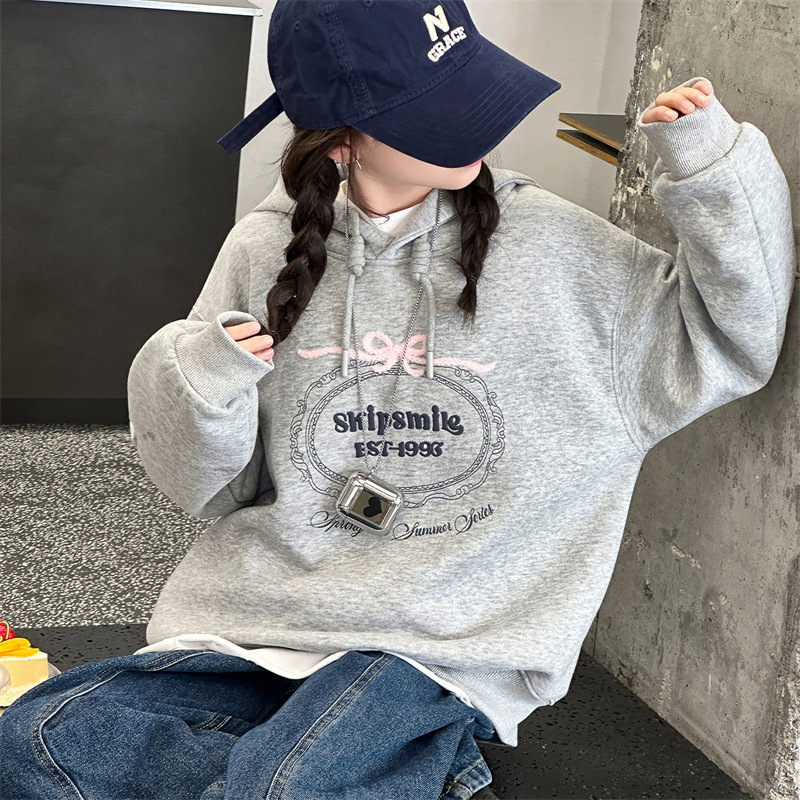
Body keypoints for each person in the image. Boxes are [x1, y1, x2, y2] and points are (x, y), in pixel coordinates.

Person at [1, 1, 795, 798]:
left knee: (279, 786)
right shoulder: (263, 248)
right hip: (261, 621)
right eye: (434, 110)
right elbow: (215, 489)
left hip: (437, 645)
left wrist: (711, 168)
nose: (478, 123)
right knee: (33, 739)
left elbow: (730, 340)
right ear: (341, 142)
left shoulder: (560, 250)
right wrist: (200, 380)